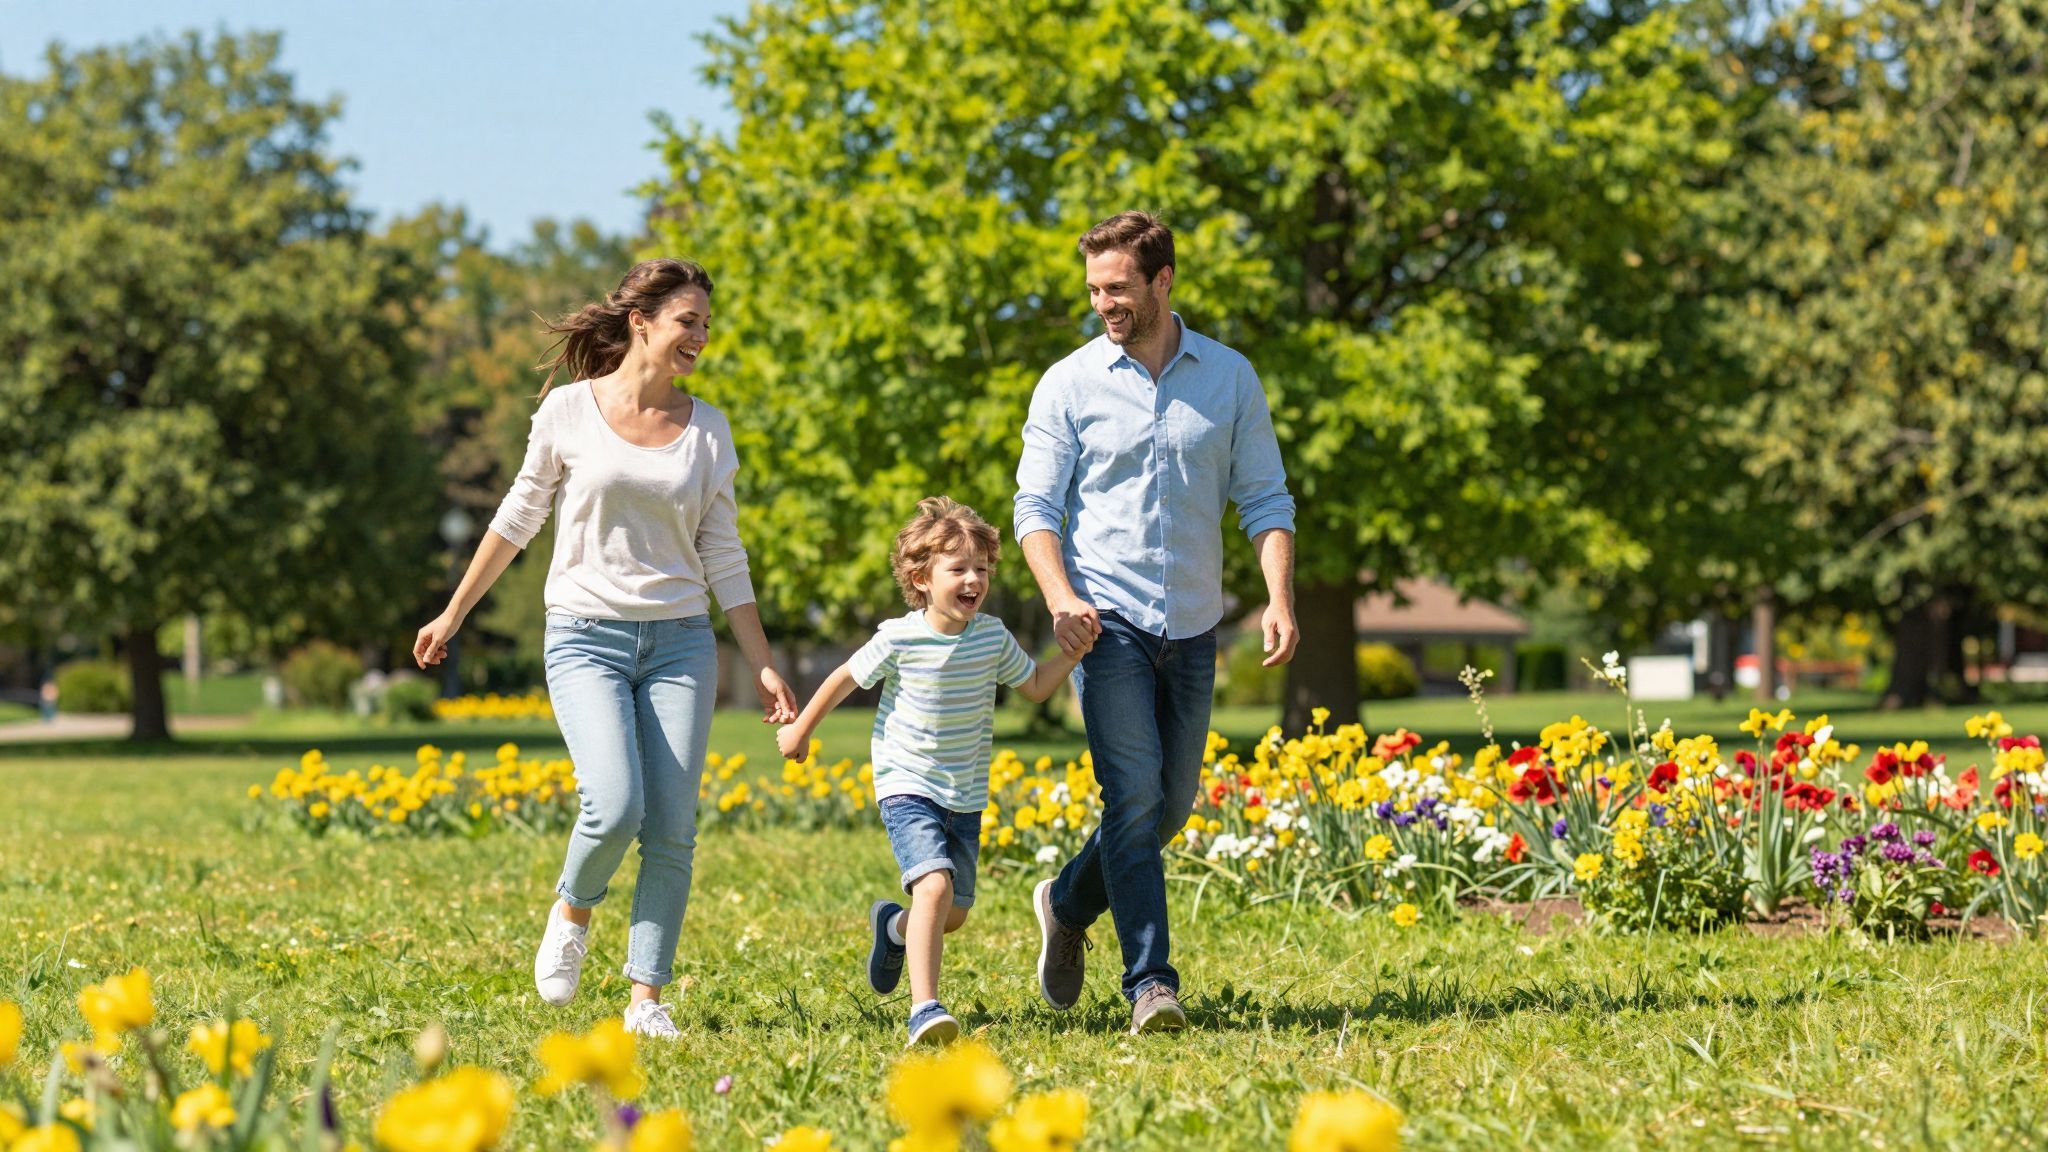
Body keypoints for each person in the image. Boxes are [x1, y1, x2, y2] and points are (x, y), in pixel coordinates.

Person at [413, 258, 797, 1039]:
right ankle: (573, 907)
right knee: (615, 803)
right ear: (641, 322)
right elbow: (519, 516)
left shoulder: (709, 429)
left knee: (672, 828)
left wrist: (759, 659)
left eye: (705, 325)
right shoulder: (567, 413)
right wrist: (453, 613)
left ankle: (645, 1001)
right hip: (585, 636)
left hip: (682, 644)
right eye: (687, 320)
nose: (699, 336)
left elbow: (725, 554)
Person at [1014, 211, 1298, 1034]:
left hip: (1198, 625)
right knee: (1131, 795)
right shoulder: (1068, 383)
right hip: (1108, 625)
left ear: (1163, 281)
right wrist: (1062, 596)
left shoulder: (1230, 377)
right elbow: (1035, 506)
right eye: (1095, 288)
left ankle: (1066, 904)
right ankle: (1151, 983)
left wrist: (1278, 598)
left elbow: (1267, 498)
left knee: (1167, 811)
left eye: (1119, 288)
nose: (1104, 302)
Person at [774, 497, 1088, 1046]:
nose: (974, 580)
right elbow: (845, 678)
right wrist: (801, 729)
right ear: (920, 578)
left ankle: (892, 929)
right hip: (907, 784)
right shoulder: (899, 636)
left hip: (963, 793)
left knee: (952, 912)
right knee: (935, 887)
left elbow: (1036, 687)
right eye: (959, 569)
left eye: (982, 569)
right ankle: (925, 1008)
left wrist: (1076, 651)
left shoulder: (991, 637)